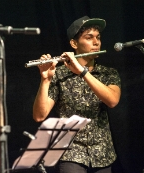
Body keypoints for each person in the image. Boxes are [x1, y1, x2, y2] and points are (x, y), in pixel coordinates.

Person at [33, 16, 121, 173]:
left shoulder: (109, 74)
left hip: (103, 154)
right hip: (70, 154)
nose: (96, 42)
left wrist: (83, 72)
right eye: (89, 38)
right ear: (74, 44)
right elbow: (39, 116)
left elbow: (112, 100)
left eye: (98, 38)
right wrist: (45, 80)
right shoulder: (59, 74)